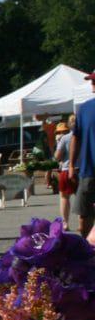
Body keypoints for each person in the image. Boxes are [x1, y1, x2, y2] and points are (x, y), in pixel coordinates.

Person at [71, 72, 95, 238]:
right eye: (92, 81)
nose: (92, 84)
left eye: (93, 81)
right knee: (83, 217)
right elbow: (76, 137)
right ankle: (86, 249)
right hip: (88, 171)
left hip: (88, 171)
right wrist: (71, 165)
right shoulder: (84, 108)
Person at [54, 121, 75, 229]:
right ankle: (85, 222)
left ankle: (65, 222)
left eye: (62, 131)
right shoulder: (85, 135)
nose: (60, 134)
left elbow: (57, 156)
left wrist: (58, 143)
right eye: (59, 132)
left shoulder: (64, 139)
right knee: (85, 198)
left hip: (66, 169)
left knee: (64, 197)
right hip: (83, 170)